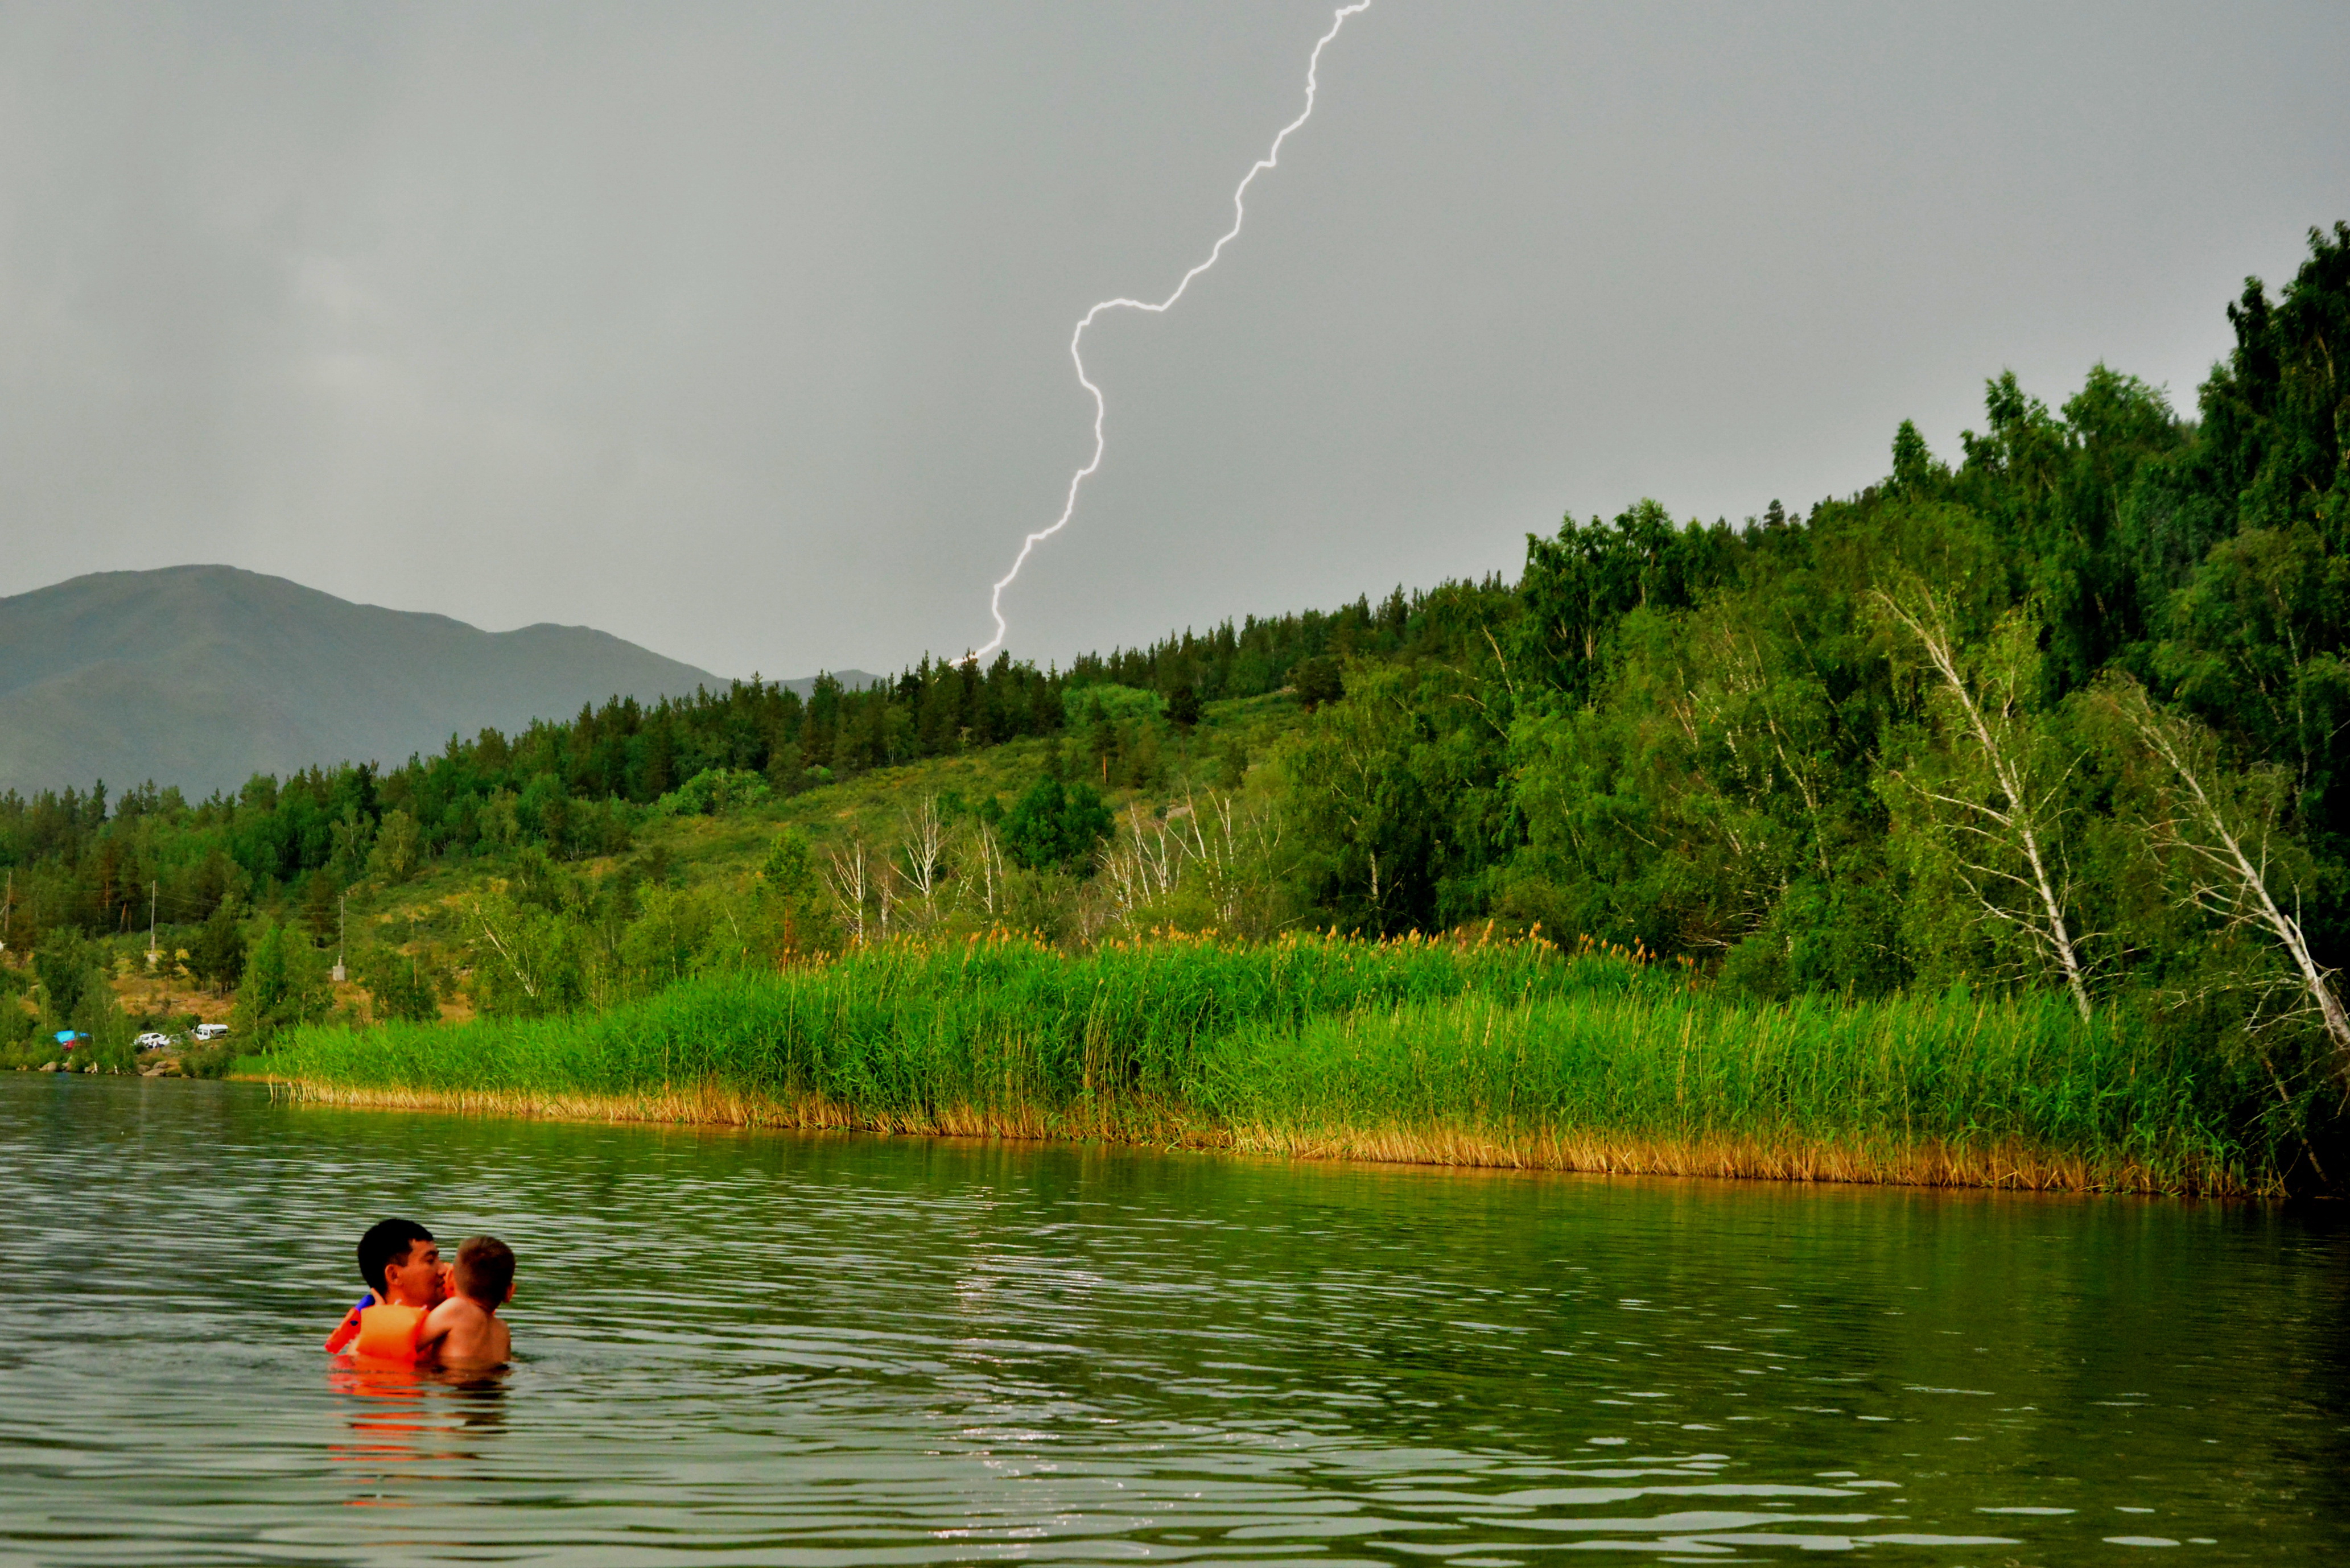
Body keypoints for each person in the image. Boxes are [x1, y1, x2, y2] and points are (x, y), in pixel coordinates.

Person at [325, 1218, 447, 1359]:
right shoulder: (363, 1354)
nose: (444, 1270)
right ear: (394, 1275)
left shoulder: (450, 1322)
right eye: (430, 1261)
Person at [418, 1235, 516, 1369]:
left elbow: (411, 1344)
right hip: (493, 1387)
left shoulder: (456, 1309)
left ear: (451, 1277)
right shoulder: (503, 1329)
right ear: (509, 1292)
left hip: (455, 1386)